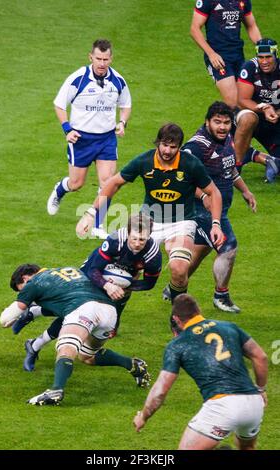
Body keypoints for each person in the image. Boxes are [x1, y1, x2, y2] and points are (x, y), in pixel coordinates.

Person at [76, 123, 224, 304]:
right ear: (158, 142)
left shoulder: (190, 163)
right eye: (164, 145)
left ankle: (177, 314)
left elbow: (214, 192)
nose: (168, 151)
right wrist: (91, 213)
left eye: (173, 147)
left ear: (179, 147)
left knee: (179, 269)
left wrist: (216, 224)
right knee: (126, 267)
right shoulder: (145, 161)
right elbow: (114, 183)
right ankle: (110, 313)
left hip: (182, 221)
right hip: (148, 221)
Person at [11, 213, 162, 371]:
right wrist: (107, 285)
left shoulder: (153, 255)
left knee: (91, 320)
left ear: (149, 236)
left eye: (142, 239)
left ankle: (34, 317)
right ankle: (34, 343)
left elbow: (148, 283)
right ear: (127, 231)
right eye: (134, 238)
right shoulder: (115, 240)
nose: (137, 243)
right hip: (91, 274)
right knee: (73, 313)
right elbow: (93, 270)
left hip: (119, 287)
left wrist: (125, 287)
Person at [0, 264, 151, 405]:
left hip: (84, 310)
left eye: (21, 289)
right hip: (109, 312)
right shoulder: (70, 271)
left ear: (25, 278)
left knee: (66, 347)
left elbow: (5, 319)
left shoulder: (35, 282)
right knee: (87, 356)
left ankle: (55, 390)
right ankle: (134, 365)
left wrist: (10, 318)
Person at [133, 294, 268, 450]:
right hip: (253, 403)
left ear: (176, 319)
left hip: (222, 406)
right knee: (247, 447)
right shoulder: (229, 327)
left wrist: (143, 416)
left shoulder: (177, 344)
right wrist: (261, 389)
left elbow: (160, 391)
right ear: (198, 311)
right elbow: (261, 357)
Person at [163, 102, 256, 313]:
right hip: (200, 209)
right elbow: (182, 178)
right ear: (207, 122)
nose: (222, 127)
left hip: (218, 207)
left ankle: (174, 287)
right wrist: (204, 194)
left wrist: (245, 190)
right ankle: (220, 296)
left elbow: (229, 168)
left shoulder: (226, 138)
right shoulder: (196, 147)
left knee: (201, 249)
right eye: (217, 122)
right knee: (228, 246)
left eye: (226, 122)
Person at [47, 39, 132, 238]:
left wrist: (122, 122)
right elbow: (59, 105)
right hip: (81, 140)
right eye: (98, 59)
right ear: (90, 57)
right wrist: (67, 129)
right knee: (77, 183)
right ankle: (60, 189)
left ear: (111, 59)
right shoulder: (77, 79)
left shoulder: (118, 81)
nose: (102, 63)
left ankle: (97, 224)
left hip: (106, 140)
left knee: (108, 182)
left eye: (106, 59)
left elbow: (126, 104)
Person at [190, 0, 261, 108]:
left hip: (238, 55)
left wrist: (262, 47)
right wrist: (211, 54)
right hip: (218, 57)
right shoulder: (207, 1)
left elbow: (251, 26)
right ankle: (213, 123)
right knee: (232, 101)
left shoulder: (244, 1)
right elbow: (194, 29)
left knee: (244, 101)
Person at [235, 38, 280, 183]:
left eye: (268, 57)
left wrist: (277, 113)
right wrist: (265, 107)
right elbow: (242, 100)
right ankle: (235, 168)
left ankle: (270, 161)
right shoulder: (249, 67)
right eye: (261, 57)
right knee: (248, 118)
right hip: (253, 113)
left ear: (275, 55)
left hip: (275, 119)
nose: (264, 61)